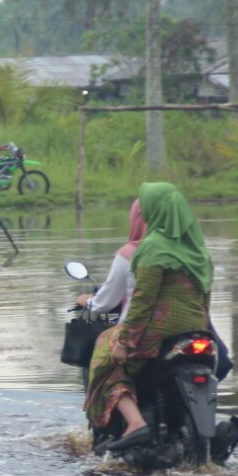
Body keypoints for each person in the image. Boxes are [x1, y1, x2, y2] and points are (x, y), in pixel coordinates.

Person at [84, 183, 213, 452]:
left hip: (159, 332)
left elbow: (144, 300)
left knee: (105, 359)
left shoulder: (153, 247)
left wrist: (124, 341)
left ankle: (134, 422)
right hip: (197, 331)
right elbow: (205, 298)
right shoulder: (198, 249)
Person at [78, 200, 146, 320]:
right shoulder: (187, 251)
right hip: (186, 331)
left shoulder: (129, 254)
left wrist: (87, 301)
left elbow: (104, 304)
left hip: (135, 333)